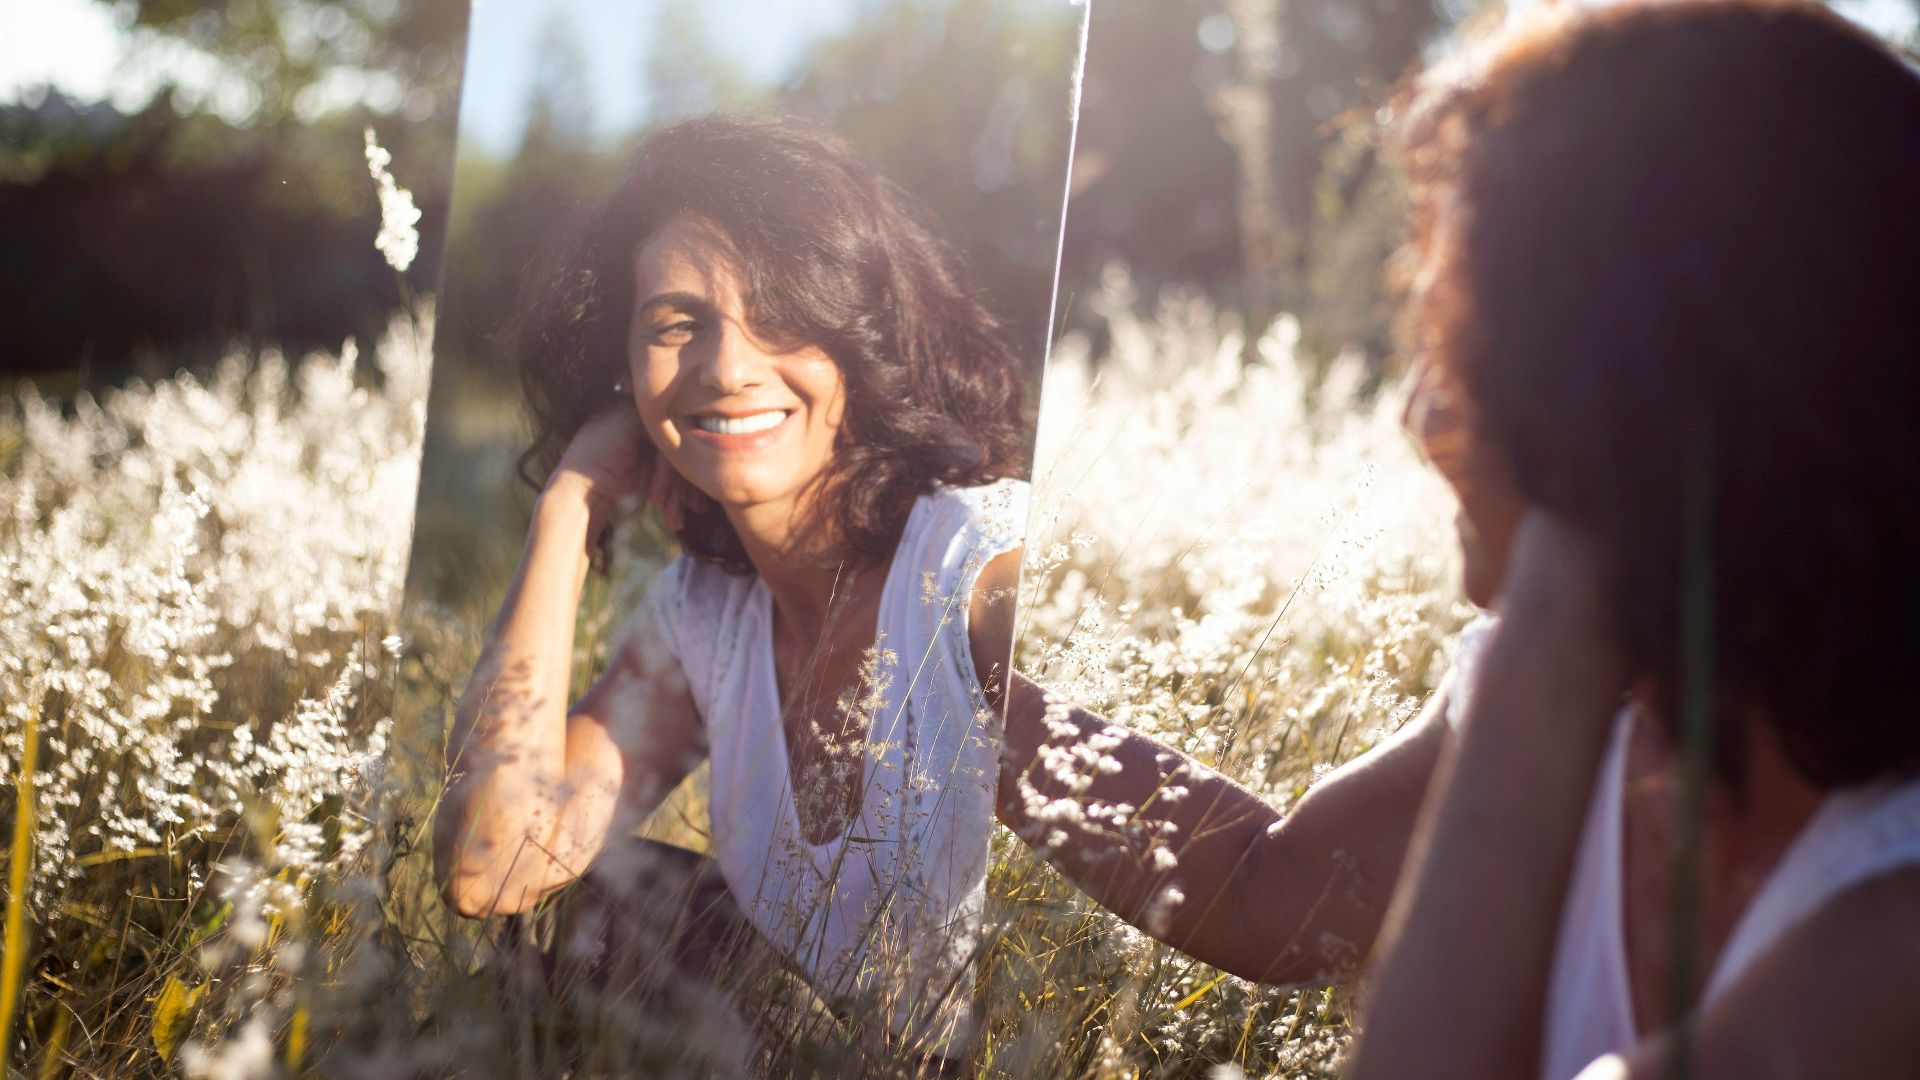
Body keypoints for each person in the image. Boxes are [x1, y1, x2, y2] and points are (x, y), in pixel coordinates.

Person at [992, 2, 1920, 1077]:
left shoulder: (1889, 929)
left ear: (1649, 389)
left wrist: (1556, 622)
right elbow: (1264, 893)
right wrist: (974, 700)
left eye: (1469, 352)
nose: (1419, 413)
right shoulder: (1615, 702)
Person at [431, 113, 1037, 1058]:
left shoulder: (979, 565)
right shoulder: (705, 619)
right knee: (593, 908)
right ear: (623, 372)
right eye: (678, 324)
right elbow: (491, 866)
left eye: (783, 311)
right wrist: (570, 504)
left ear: (860, 337)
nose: (727, 367)